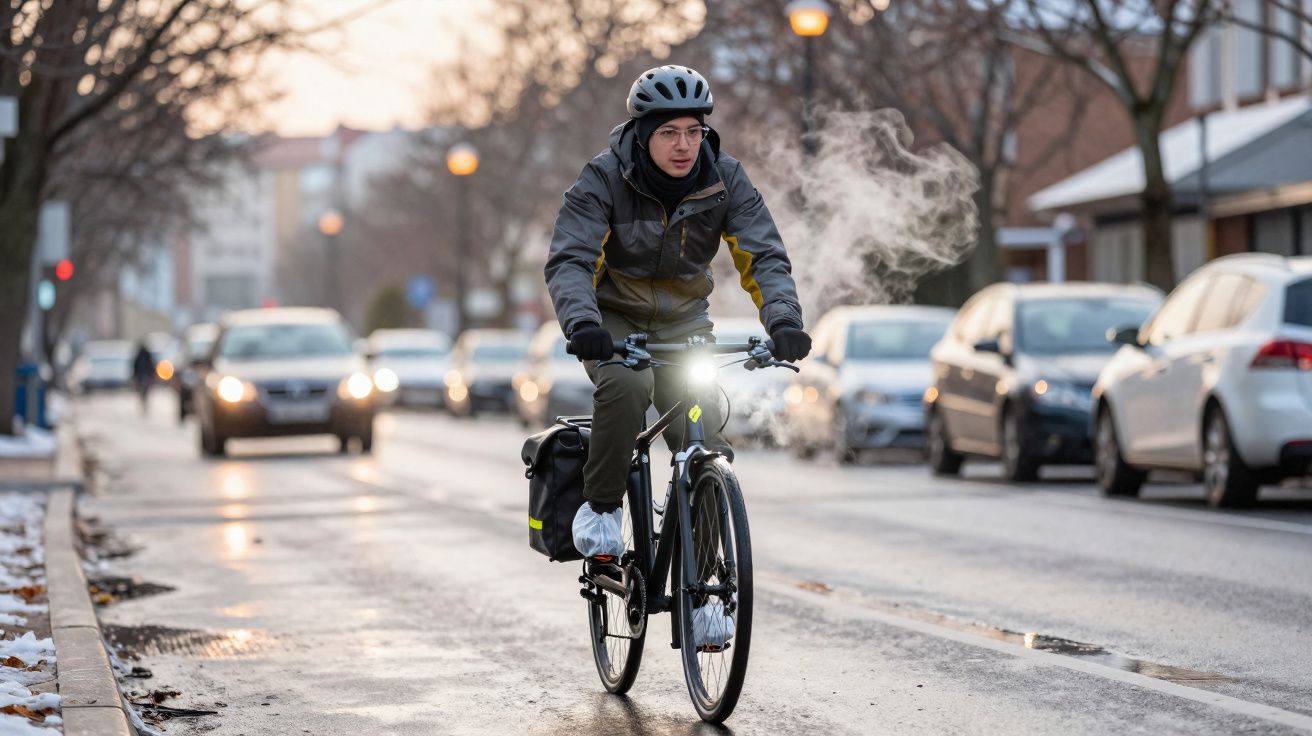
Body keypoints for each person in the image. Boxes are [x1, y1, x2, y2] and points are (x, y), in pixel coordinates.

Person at [544, 65, 812, 645]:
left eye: (693, 131)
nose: (683, 145)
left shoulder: (725, 180)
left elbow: (763, 255)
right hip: (612, 320)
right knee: (627, 388)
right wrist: (585, 323)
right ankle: (601, 508)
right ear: (643, 133)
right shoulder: (603, 179)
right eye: (669, 133)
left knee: (706, 441)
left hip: (686, 322)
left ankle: (706, 591)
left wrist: (784, 321)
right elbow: (570, 260)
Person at [131, 342, 155, 416]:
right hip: (144, 376)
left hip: (142, 376)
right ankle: (144, 403)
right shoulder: (146, 355)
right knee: (144, 392)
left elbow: (135, 367)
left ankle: (143, 403)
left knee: (143, 392)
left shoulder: (140, 356)